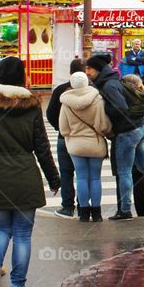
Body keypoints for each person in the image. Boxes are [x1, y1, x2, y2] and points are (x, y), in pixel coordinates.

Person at [0, 57, 60, 287]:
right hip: (24, 173)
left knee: (0, 228)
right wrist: (54, 179)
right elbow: (42, 147)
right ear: (22, 77)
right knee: (23, 233)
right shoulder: (31, 108)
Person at [85, 55, 144, 220]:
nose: (87, 71)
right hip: (138, 129)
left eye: (89, 68)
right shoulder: (114, 81)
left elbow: (121, 107)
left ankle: (124, 210)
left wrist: (105, 111)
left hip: (126, 132)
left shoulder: (109, 85)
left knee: (125, 172)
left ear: (98, 69)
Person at [59, 71, 111, 222]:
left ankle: (83, 212)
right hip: (95, 144)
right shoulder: (98, 99)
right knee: (95, 178)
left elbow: (64, 129)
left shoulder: (66, 103)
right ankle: (96, 213)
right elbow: (103, 125)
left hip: (76, 145)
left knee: (81, 178)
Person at [46, 58, 85, 219]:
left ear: (70, 72)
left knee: (67, 173)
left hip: (65, 137)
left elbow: (50, 114)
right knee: (84, 174)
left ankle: (68, 207)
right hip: (85, 138)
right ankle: (85, 207)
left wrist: (60, 128)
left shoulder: (60, 90)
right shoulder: (92, 90)